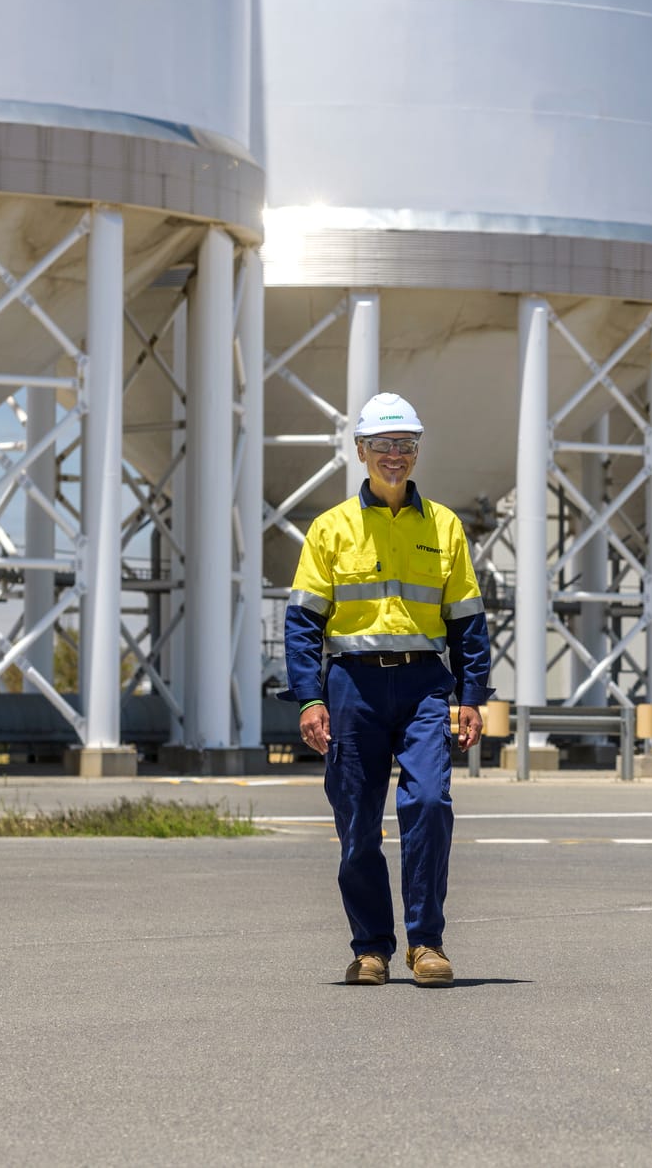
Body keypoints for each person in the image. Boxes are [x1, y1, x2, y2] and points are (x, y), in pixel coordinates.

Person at [284, 392, 493, 986]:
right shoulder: (331, 529)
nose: (394, 455)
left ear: (417, 451)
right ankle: (371, 948)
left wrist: (471, 696)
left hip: (425, 684)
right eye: (382, 445)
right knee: (357, 823)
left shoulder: (444, 526)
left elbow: (467, 620)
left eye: (405, 444)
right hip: (352, 686)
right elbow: (302, 623)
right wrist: (310, 698)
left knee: (429, 804)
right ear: (361, 451)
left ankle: (426, 944)